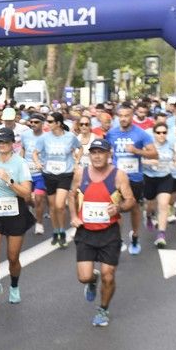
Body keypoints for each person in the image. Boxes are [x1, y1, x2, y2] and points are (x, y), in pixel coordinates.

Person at [69, 138, 136, 327]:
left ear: (109, 154)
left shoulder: (118, 175)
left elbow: (130, 200)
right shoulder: (80, 173)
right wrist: (74, 216)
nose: (97, 156)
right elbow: (71, 195)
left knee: (109, 275)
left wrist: (119, 208)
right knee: (83, 277)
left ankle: (103, 309)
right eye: (94, 152)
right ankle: (92, 279)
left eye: (101, 152)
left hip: (109, 233)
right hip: (85, 232)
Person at [0, 127, 34, 305]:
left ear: (13, 143)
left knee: (13, 257)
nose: (2, 145)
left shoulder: (20, 163)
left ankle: (14, 286)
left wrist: (9, 181)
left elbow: (27, 193)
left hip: (15, 209)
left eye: (5, 141)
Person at [105, 103, 156, 255]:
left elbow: (154, 154)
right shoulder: (111, 133)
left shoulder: (141, 134)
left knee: (133, 208)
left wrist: (136, 151)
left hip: (135, 178)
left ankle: (134, 235)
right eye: (120, 116)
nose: (123, 119)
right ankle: (118, 239)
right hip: (116, 178)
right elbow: (107, 152)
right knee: (116, 208)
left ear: (132, 116)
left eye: (126, 115)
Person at [32, 112, 80, 248]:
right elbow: (35, 152)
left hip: (65, 174)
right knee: (53, 207)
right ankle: (56, 231)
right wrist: (37, 162)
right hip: (49, 174)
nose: (48, 124)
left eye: (51, 121)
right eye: (47, 121)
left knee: (60, 205)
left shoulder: (70, 137)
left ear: (58, 123)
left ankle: (62, 231)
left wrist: (76, 161)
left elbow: (80, 147)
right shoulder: (44, 138)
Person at [141, 122, 176, 248]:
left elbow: (175, 158)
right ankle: (149, 215)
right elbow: (141, 160)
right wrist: (151, 162)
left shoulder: (170, 144)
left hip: (165, 178)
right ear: (154, 133)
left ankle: (161, 235)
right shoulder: (148, 145)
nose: (161, 135)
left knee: (163, 205)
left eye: (164, 132)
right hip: (149, 178)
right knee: (149, 204)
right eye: (158, 132)